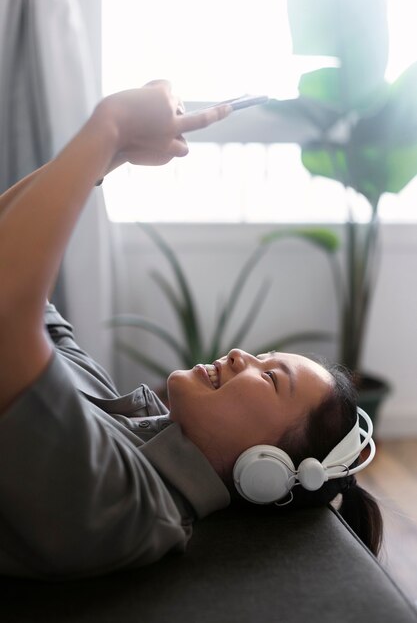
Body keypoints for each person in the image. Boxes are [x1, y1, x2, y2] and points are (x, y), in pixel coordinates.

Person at [0, 81, 382, 580]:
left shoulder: (124, 502)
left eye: (270, 378)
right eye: (265, 357)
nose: (243, 355)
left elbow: (9, 306)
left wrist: (109, 124)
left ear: (263, 467)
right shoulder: (112, 407)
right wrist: (112, 154)